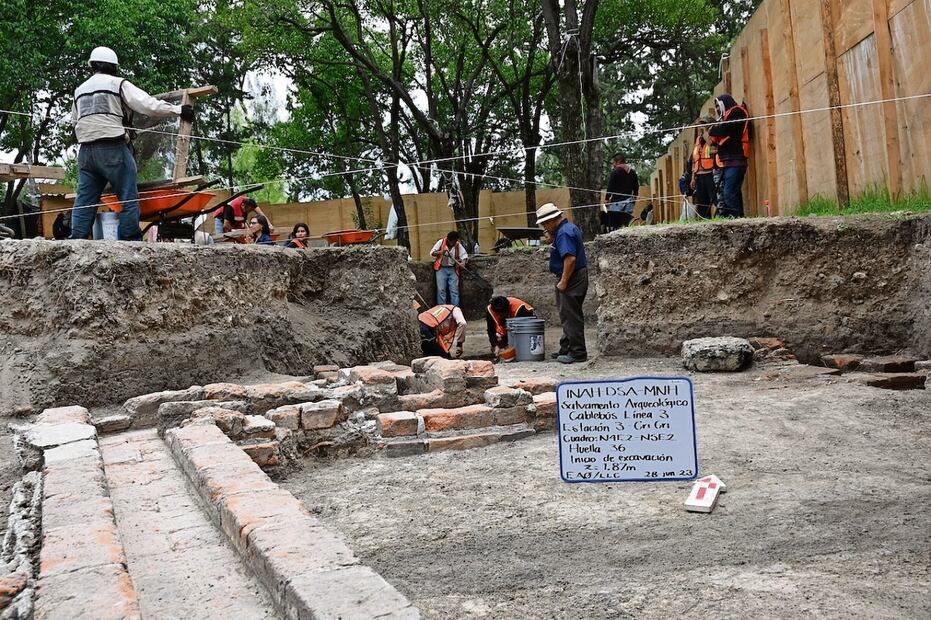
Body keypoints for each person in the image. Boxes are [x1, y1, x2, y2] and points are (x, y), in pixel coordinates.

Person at [69, 47, 195, 241]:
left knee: (85, 200)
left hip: (86, 152)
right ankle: (130, 241)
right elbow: (147, 104)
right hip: (112, 149)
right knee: (128, 196)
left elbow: (75, 121)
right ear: (114, 67)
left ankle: (75, 239)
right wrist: (178, 110)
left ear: (92, 66)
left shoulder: (79, 90)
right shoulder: (117, 84)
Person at [536, 202, 588, 364]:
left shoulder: (564, 233)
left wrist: (564, 281)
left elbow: (570, 258)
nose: (545, 227)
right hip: (575, 276)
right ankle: (566, 347)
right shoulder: (566, 229)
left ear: (552, 220)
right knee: (567, 314)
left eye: (545, 224)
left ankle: (578, 352)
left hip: (571, 278)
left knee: (570, 316)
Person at [708, 94, 750, 218]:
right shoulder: (725, 117)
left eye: (717, 105)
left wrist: (715, 128)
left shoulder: (737, 112)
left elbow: (719, 131)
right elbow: (714, 138)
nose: (716, 109)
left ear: (724, 103)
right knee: (733, 192)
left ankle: (736, 219)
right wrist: (716, 129)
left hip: (736, 160)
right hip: (729, 161)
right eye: (715, 107)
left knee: (729, 193)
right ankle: (739, 219)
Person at [685, 116, 719, 219]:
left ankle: (720, 219)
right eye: (700, 125)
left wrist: (706, 134)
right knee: (702, 204)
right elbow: (695, 160)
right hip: (699, 176)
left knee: (716, 200)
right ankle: (705, 221)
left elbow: (714, 150)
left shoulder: (713, 138)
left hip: (711, 174)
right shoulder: (698, 141)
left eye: (704, 124)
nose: (701, 127)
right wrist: (693, 177)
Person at [431, 230, 469, 306]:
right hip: (441, 269)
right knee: (441, 290)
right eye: (451, 242)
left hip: (453, 269)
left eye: (454, 242)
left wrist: (463, 262)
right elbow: (432, 253)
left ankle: (455, 309)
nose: (452, 244)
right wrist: (441, 252)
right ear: (448, 239)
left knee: (454, 291)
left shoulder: (458, 245)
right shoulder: (441, 242)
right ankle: (442, 309)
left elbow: (464, 255)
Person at [604, 153, 639, 231]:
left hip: (617, 203)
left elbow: (610, 188)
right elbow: (636, 187)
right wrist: (634, 199)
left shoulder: (615, 172)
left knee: (616, 226)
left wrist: (606, 199)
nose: (613, 164)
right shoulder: (632, 172)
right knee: (626, 225)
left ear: (618, 162)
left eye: (614, 162)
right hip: (629, 201)